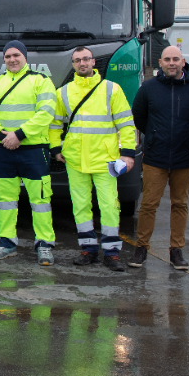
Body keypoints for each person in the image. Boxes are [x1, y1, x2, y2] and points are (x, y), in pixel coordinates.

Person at [50, 46, 136, 272]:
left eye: (86, 59)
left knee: (109, 206)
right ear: (73, 64)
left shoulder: (111, 90)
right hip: (75, 158)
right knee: (80, 206)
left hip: (105, 159)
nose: (82, 63)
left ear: (93, 62)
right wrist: (56, 148)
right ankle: (87, 249)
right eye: (77, 60)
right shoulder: (64, 92)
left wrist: (127, 153)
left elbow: (126, 124)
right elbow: (54, 124)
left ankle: (112, 252)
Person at [129, 45, 189, 271]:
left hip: (186, 156)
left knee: (180, 204)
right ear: (161, 63)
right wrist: (154, 137)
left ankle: (176, 250)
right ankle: (141, 247)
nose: (171, 63)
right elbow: (139, 117)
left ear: (183, 62)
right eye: (167, 59)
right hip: (156, 156)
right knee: (148, 204)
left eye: (176, 59)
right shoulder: (148, 88)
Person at [0, 41, 58, 264]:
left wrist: (19, 135)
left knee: (40, 199)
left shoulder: (41, 81)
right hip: (4, 149)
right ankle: (7, 243)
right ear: (3, 60)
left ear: (25, 57)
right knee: (5, 199)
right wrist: (4, 136)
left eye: (16, 55)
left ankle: (44, 244)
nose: (12, 60)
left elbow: (46, 113)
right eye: (7, 56)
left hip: (34, 150)